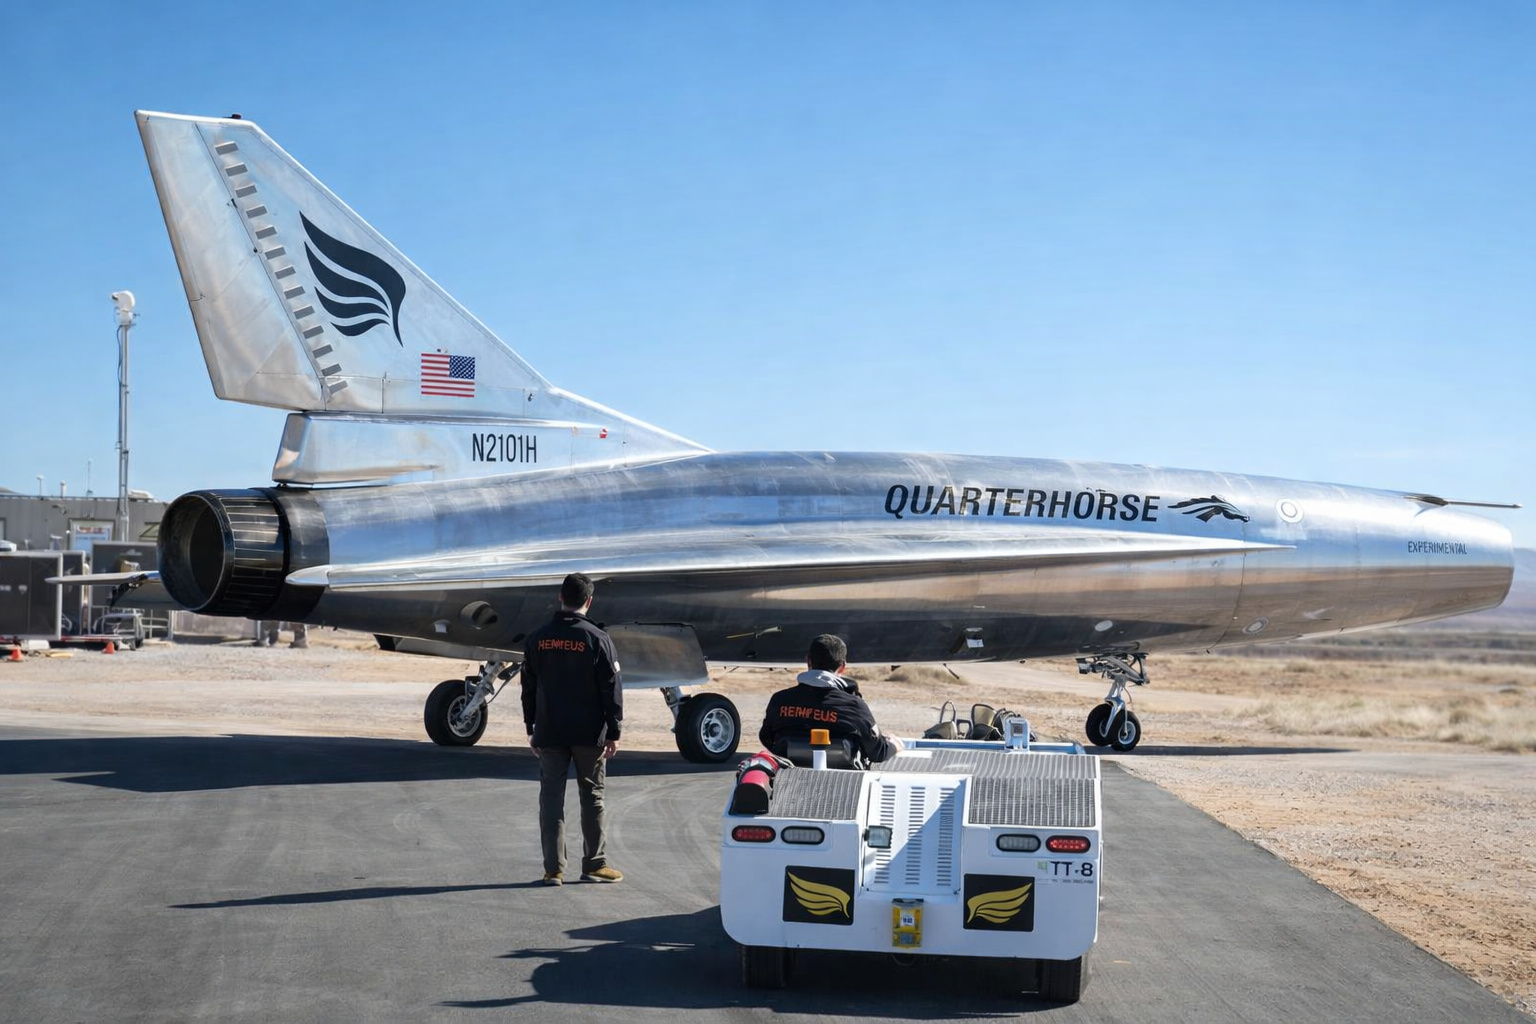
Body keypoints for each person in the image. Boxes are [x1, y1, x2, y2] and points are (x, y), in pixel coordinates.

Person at [520, 573, 624, 885]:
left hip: (550, 731)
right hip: (588, 734)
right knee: (592, 796)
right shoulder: (598, 639)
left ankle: (553, 869)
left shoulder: (538, 638)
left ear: (559, 597)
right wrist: (614, 731)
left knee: (551, 798)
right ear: (589, 601)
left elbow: (528, 687)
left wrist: (531, 726)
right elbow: (612, 689)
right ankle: (594, 864)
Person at [759, 634, 903, 766]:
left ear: (808, 660)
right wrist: (895, 745)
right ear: (842, 667)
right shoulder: (854, 705)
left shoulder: (779, 700)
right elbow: (877, 752)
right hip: (841, 786)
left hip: (788, 781)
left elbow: (766, 738)